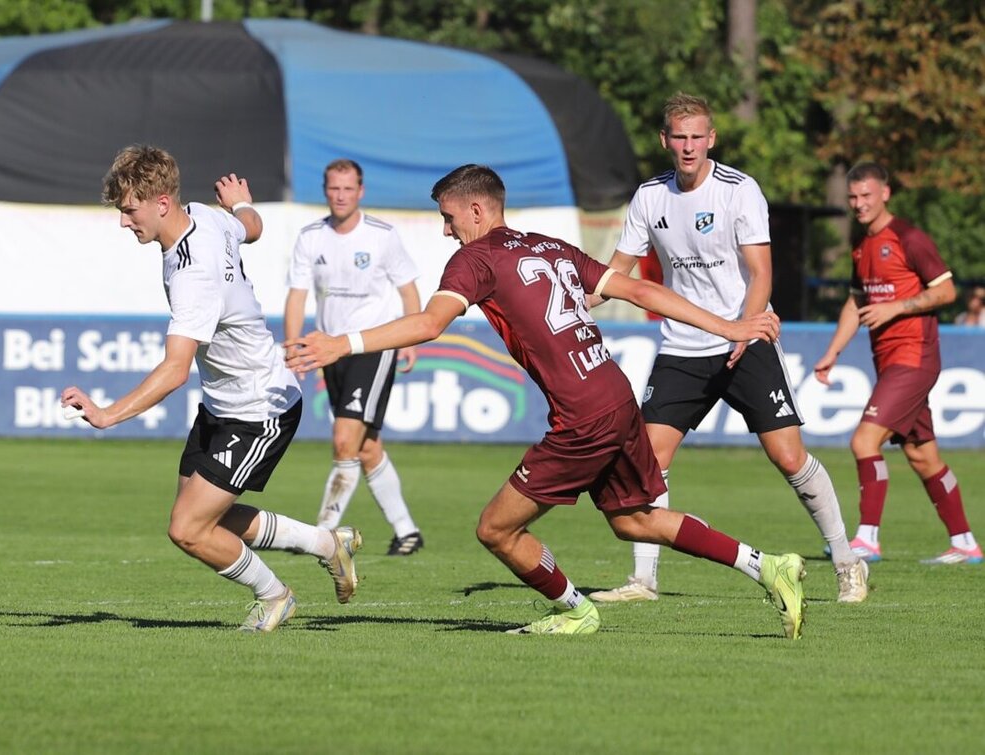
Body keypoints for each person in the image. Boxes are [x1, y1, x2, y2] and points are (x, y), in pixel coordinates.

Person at [286, 163, 808, 638]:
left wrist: (341, 343)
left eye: (448, 218)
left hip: (583, 416)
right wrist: (730, 326)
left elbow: (428, 324)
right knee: (636, 519)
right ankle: (767, 566)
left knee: (495, 528)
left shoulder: (476, 259)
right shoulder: (550, 247)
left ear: (476, 209)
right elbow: (641, 292)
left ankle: (574, 610)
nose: (447, 231)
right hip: (615, 395)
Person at [60, 145, 363, 634]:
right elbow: (253, 229)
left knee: (187, 528)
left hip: (260, 407)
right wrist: (242, 204)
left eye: (128, 210)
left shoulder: (191, 275)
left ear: (161, 203)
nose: (123, 222)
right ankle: (330, 544)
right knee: (204, 518)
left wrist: (106, 414)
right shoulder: (205, 214)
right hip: (224, 403)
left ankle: (276, 596)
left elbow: (176, 369)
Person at [589, 93, 868, 605]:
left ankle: (847, 562)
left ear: (711, 138)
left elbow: (761, 271)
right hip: (681, 347)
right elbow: (617, 271)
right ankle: (644, 581)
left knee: (788, 457)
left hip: (745, 338)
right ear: (665, 141)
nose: (689, 146)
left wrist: (743, 329)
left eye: (697, 136)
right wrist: (575, 300)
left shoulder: (739, 190)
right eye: (680, 137)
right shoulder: (649, 197)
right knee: (649, 460)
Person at [813, 162, 981, 565]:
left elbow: (946, 292)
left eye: (866, 196)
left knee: (863, 441)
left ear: (885, 193)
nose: (859, 204)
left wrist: (896, 308)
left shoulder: (908, 237)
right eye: (853, 197)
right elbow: (857, 302)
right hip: (889, 362)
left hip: (915, 357)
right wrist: (833, 352)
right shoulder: (861, 243)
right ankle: (965, 544)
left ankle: (867, 539)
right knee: (923, 456)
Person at [284, 159, 424, 555]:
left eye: (348, 189)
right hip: (331, 350)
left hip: (373, 346)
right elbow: (297, 294)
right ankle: (407, 531)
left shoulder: (382, 235)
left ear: (360, 191)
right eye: (334, 188)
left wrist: (410, 337)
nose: (340, 195)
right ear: (325, 190)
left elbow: (408, 289)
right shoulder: (311, 237)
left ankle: (322, 535)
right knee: (365, 447)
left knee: (345, 439)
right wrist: (295, 345)